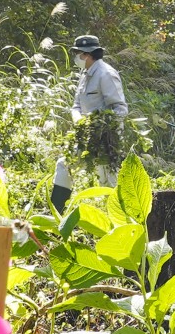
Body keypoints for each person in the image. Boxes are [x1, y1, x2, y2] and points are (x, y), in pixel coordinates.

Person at [52, 34, 128, 211]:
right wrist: (79, 120)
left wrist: (99, 124)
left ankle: (119, 221)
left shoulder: (106, 74)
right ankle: (57, 212)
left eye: (78, 53)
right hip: (85, 134)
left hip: (107, 138)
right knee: (64, 164)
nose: (76, 57)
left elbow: (120, 109)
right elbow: (76, 105)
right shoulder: (85, 74)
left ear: (87, 54)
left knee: (108, 180)